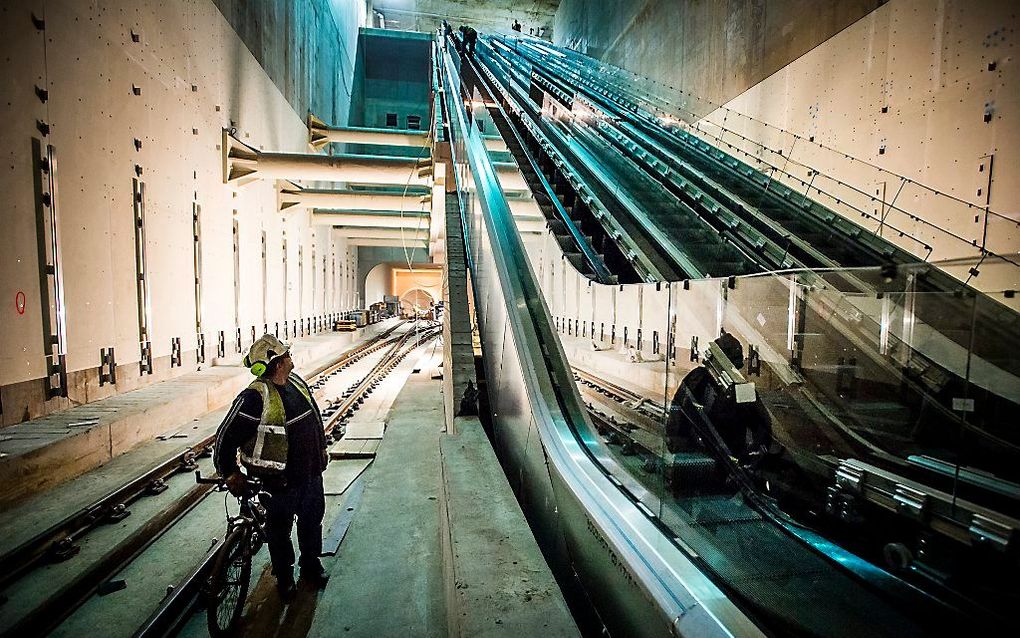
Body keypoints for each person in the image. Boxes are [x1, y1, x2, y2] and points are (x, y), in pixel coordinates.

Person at [213, 334, 330, 599]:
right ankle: (285, 577)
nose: (291, 358)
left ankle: (311, 565)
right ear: (277, 363)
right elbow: (225, 437)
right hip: (279, 483)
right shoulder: (253, 398)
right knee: (279, 533)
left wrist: (321, 448)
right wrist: (229, 472)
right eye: (286, 355)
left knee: (312, 522)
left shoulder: (296, 383)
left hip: (310, 475)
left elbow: (314, 417)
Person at [665, 333, 772, 460]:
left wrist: (754, 453)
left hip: (723, 458)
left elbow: (761, 426)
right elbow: (679, 412)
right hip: (701, 454)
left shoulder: (740, 388)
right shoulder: (700, 379)